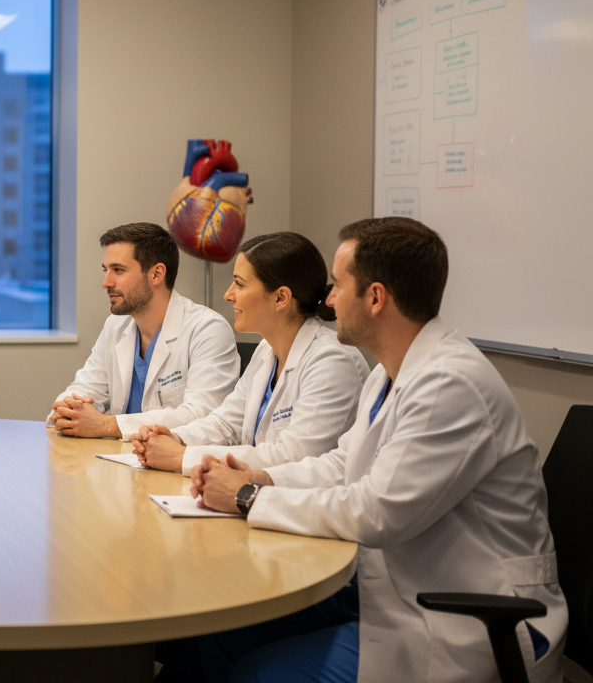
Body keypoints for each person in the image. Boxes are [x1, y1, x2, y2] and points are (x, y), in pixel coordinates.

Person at [178, 217, 566, 683]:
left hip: (471, 617)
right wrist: (261, 479)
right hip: (397, 590)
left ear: (376, 297)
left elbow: (376, 511)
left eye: (339, 286)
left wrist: (247, 498)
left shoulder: (450, 383)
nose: (328, 298)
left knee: (257, 671)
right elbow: (345, 462)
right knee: (221, 628)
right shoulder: (390, 372)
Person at [130, 232, 369, 474]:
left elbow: (291, 457)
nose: (228, 294)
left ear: (280, 297)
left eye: (240, 284)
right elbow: (226, 423)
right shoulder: (268, 349)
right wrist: (174, 437)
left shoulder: (332, 361)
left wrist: (181, 456)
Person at [49, 222, 240, 440]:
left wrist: (107, 425)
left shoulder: (207, 330)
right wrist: (68, 409)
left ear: (157, 274)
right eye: (106, 270)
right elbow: (85, 387)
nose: (106, 282)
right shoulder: (116, 326)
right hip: (123, 461)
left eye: (118, 270)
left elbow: (203, 416)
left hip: (179, 468)